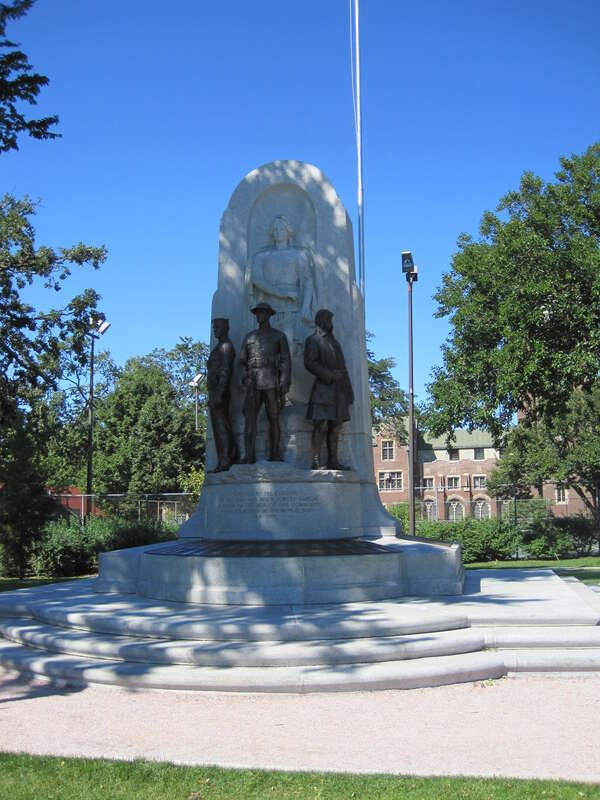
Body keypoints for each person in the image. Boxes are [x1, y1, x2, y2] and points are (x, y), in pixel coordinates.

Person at [248, 215, 317, 353]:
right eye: (276, 228)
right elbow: (256, 280)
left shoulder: (299, 254)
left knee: (290, 349)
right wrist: (282, 294)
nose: (278, 231)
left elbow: (307, 281)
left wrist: (305, 308)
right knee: (267, 349)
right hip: (268, 310)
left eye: (282, 228)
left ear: (288, 231)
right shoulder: (261, 256)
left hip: (293, 308)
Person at [239, 302, 291, 463]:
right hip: (253, 381)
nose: (258, 316)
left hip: (270, 380)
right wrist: (244, 377)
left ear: (269, 314)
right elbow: (241, 361)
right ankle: (249, 455)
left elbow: (286, 360)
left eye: (261, 313)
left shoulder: (278, 336)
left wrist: (284, 380)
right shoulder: (249, 337)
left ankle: (274, 453)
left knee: (273, 418)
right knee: (250, 419)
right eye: (257, 313)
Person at [304, 309, 354, 470]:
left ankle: (333, 460)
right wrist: (330, 375)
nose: (331, 323)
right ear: (321, 321)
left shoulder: (335, 343)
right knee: (321, 424)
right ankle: (316, 461)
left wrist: (349, 391)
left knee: (336, 425)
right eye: (328, 319)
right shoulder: (313, 340)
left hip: (338, 391)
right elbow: (310, 363)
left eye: (331, 320)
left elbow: (343, 368)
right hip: (323, 389)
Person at [206, 318, 239, 472]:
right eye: (213, 327)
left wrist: (219, 392)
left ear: (225, 328)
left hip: (219, 392)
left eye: (217, 327)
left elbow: (226, 370)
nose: (215, 330)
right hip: (215, 391)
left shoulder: (225, 346)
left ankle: (226, 459)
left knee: (221, 426)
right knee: (219, 426)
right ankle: (225, 457)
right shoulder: (220, 346)